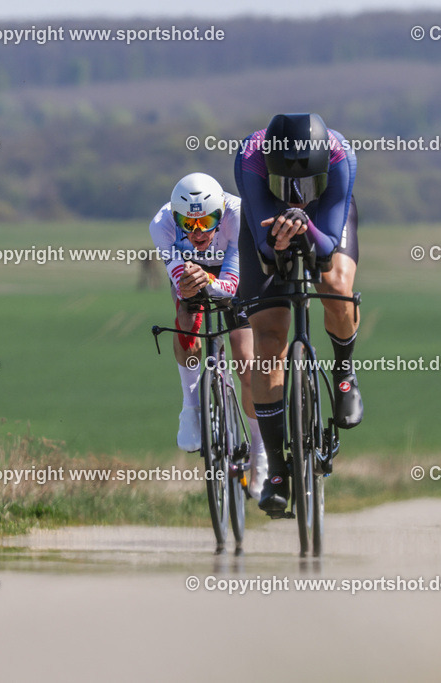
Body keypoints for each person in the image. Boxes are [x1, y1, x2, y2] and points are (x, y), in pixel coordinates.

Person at [234, 113, 363, 514]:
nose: (296, 195)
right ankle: (276, 469)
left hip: (324, 219)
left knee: (337, 286)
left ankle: (343, 372)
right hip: (265, 220)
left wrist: (304, 227)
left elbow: (325, 255)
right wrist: (280, 236)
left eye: (307, 184)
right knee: (269, 337)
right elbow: (265, 251)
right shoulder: (250, 158)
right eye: (287, 186)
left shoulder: (341, 158)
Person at [148, 172, 268, 497]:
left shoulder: (239, 215)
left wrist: (210, 283)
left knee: (245, 361)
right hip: (191, 273)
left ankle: (259, 449)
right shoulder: (161, 225)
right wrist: (192, 282)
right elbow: (178, 277)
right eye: (189, 223)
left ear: (221, 212)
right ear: (176, 218)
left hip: (232, 273)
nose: (198, 232)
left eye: (208, 221)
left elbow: (230, 282)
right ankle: (190, 408)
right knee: (185, 319)